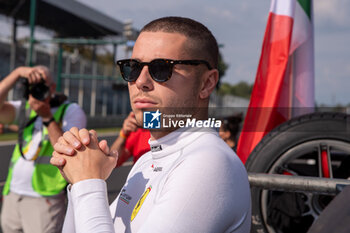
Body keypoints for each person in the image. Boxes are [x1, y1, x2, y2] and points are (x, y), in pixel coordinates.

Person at [51, 16, 251, 232]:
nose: (140, 82)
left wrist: (88, 184)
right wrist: (77, 178)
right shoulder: (148, 160)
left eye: (161, 69)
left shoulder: (209, 162)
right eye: (133, 67)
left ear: (207, 83)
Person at [0, 65, 86, 233]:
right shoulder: (26, 108)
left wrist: (47, 116)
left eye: (42, 84)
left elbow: (69, 151)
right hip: (13, 193)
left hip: (45, 198)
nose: (37, 88)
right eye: (33, 84)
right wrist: (17, 73)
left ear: (52, 87)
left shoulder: (70, 111)